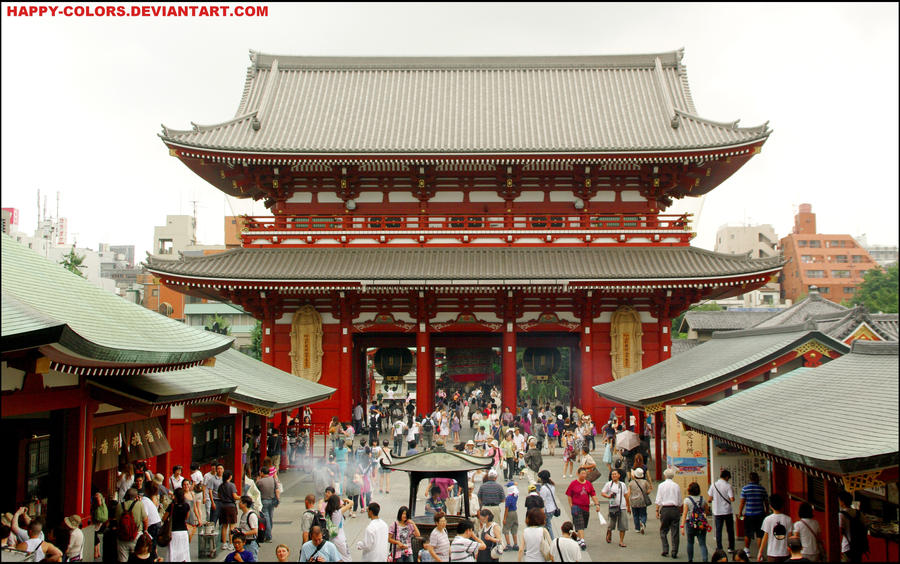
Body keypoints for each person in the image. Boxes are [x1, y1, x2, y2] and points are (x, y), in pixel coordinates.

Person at [565, 467, 601, 550]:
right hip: (576, 507)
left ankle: (577, 537)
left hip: (586, 508)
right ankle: (582, 541)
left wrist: (597, 504)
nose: (584, 475)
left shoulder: (588, 484)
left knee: (583, 525)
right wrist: (571, 505)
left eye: (585, 474)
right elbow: (569, 495)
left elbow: (593, 494)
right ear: (578, 474)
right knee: (580, 524)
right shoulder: (573, 483)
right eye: (582, 473)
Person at [739, 472, 770, 557]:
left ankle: (747, 550)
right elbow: (766, 503)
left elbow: (742, 503)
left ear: (750, 479)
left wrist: (740, 513)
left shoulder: (745, 489)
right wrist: (766, 512)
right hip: (760, 514)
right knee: (759, 534)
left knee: (747, 533)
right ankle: (759, 553)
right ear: (757, 479)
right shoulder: (762, 489)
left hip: (749, 514)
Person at [679, 481, 709, 563]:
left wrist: (682, 527)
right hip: (701, 524)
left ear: (689, 490)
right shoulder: (703, 499)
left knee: (690, 542)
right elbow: (707, 511)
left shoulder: (687, 500)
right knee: (702, 543)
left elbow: (684, 514)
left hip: (690, 523)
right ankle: (705, 559)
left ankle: (690, 559)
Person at [115, 488, 148, 562]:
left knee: (122, 559)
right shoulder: (140, 504)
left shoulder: (119, 506)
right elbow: (145, 520)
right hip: (136, 536)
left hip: (122, 536)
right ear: (136, 497)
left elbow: (117, 521)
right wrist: (145, 530)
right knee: (136, 558)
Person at [655, 468, 682, 558]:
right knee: (675, 532)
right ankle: (674, 551)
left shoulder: (661, 485)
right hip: (674, 509)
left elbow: (658, 500)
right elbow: (679, 502)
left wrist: (657, 511)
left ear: (665, 476)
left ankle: (665, 549)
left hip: (665, 509)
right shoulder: (676, 486)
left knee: (663, 530)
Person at [601, 468, 631, 547]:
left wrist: (628, 506)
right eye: (612, 474)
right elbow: (603, 493)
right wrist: (608, 496)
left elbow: (626, 496)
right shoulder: (608, 484)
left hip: (622, 506)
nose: (613, 475)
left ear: (619, 475)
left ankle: (621, 541)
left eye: (615, 474)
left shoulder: (623, 484)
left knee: (623, 525)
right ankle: (609, 532)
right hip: (613, 506)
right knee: (611, 524)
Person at [709, 469, 736, 555]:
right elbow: (732, 499)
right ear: (727, 477)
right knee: (730, 530)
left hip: (717, 511)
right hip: (727, 511)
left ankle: (719, 548)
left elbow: (709, 499)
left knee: (718, 530)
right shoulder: (728, 486)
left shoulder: (713, 485)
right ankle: (731, 547)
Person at [758, 493, 792, 562]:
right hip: (785, 553)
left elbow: (765, 536)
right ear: (782, 505)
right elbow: (790, 537)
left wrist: (760, 551)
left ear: (770, 506)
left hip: (772, 553)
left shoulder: (768, 519)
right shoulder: (788, 519)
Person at [838, 490, 868, 562]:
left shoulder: (841, 515)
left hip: (847, 546)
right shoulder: (858, 513)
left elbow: (840, 531)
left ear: (842, 502)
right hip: (859, 546)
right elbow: (865, 526)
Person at [165, 487, 192, 562]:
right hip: (183, 531)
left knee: (173, 553)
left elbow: (164, 518)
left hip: (174, 532)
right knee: (184, 552)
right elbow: (186, 517)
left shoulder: (172, 506)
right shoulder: (186, 506)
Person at [324, 492, 353, 562]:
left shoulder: (328, 512)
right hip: (340, 539)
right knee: (347, 558)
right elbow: (351, 503)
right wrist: (346, 500)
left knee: (335, 558)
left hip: (331, 538)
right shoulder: (338, 512)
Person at [256, 464, 280, 543]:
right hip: (272, 500)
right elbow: (277, 490)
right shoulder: (273, 480)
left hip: (264, 500)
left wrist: (257, 480)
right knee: (270, 517)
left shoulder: (260, 481)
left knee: (266, 518)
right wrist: (278, 499)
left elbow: (256, 491)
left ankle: (268, 536)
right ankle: (269, 533)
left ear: (262, 473)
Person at [218, 470, 240, 551]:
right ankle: (231, 543)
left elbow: (219, 495)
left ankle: (224, 543)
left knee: (224, 526)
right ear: (230, 476)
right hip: (231, 506)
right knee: (232, 526)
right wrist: (241, 497)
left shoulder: (221, 486)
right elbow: (235, 496)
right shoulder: (232, 485)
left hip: (223, 506)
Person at [627, 467, 651, 534]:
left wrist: (627, 503)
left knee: (635, 515)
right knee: (643, 513)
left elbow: (628, 493)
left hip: (633, 501)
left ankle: (637, 528)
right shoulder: (645, 482)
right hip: (642, 500)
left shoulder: (631, 483)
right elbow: (648, 491)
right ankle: (643, 522)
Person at [235, 496, 260, 560]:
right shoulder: (244, 514)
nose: (238, 504)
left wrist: (243, 533)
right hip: (244, 543)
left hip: (250, 544)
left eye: (240, 502)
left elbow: (255, 531)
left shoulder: (251, 515)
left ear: (245, 504)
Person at [537, 470, 559, 540]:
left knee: (548, 527)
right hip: (553, 508)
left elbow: (542, 501)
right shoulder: (552, 485)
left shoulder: (544, 488)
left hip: (547, 510)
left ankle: (552, 541)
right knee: (546, 526)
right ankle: (544, 541)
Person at [503, 481, 520, 551]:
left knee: (506, 529)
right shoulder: (516, 495)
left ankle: (508, 544)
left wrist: (504, 518)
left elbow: (506, 508)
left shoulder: (508, 497)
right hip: (515, 513)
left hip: (509, 513)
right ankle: (515, 544)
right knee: (514, 528)